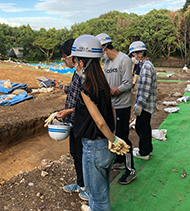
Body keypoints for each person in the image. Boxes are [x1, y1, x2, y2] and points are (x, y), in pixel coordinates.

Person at [70, 34, 130, 211]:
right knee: (103, 190)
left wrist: (113, 139)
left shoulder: (86, 87)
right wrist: (114, 136)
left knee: (96, 196)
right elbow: (110, 110)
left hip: (94, 147)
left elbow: (99, 121)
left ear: (82, 62)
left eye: (76, 61)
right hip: (106, 147)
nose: (75, 65)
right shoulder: (103, 83)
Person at [96, 33, 136, 185]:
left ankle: (131, 170)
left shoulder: (124, 59)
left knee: (123, 137)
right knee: (114, 135)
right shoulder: (106, 63)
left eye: (99, 50)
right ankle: (119, 161)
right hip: (112, 105)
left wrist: (114, 90)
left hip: (123, 105)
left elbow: (128, 83)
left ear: (105, 47)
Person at [52, 39, 89, 201]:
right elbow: (74, 92)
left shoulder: (86, 74)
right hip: (73, 121)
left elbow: (89, 104)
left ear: (72, 56)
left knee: (83, 155)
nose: (64, 60)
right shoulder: (77, 71)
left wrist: (69, 110)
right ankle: (80, 184)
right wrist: (61, 87)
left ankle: (88, 188)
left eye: (64, 57)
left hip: (82, 122)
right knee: (75, 153)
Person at [128, 41, 157, 160]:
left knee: (141, 127)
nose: (133, 58)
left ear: (140, 53)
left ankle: (144, 152)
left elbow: (145, 89)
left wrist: (139, 105)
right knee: (145, 126)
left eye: (133, 55)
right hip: (148, 104)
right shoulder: (147, 65)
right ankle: (148, 149)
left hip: (145, 105)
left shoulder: (146, 67)